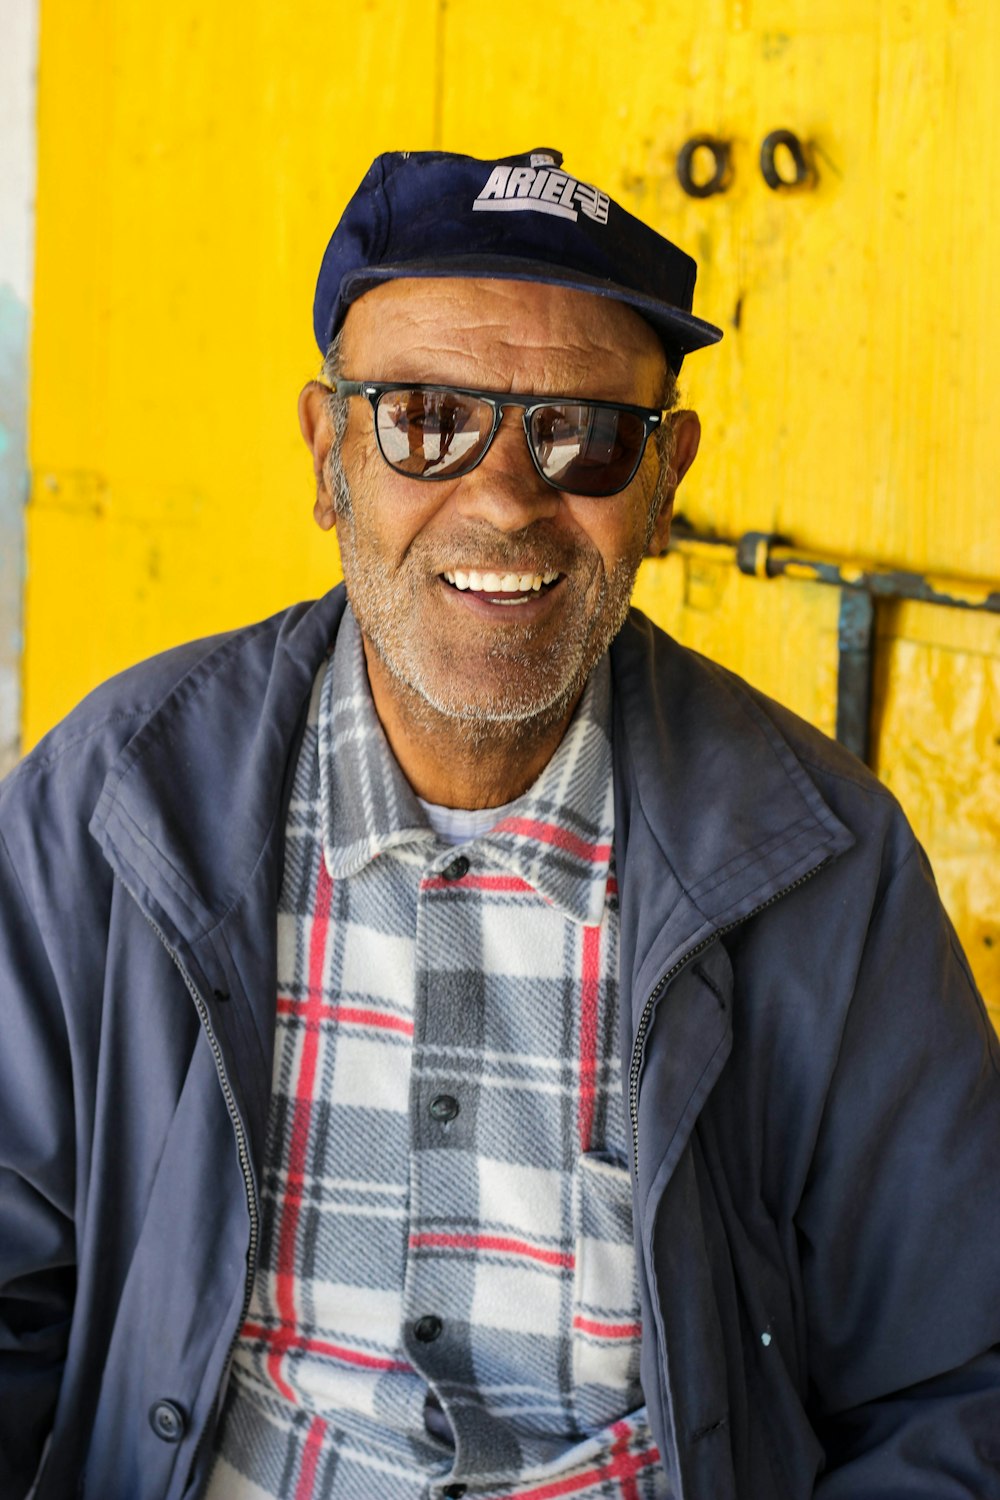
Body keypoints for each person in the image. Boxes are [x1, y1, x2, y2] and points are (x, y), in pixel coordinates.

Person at [1, 146, 998, 1500]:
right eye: (424, 418)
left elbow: (951, 1388)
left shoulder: (826, 870)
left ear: (664, 481)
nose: (505, 500)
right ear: (327, 452)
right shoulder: (116, 810)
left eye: (584, 434)